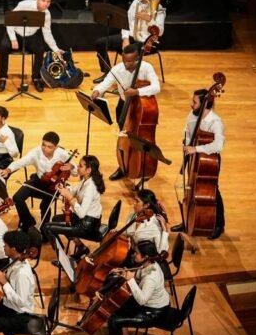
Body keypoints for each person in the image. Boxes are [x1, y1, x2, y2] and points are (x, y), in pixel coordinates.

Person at [90, 42, 162, 180]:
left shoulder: (146, 68)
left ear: (137, 59)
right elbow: (106, 82)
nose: (126, 64)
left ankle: (143, 165)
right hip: (123, 105)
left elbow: (156, 87)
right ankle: (123, 166)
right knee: (124, 136)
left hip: (141, 106)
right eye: (124, 60)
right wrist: (97, 91)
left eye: (129, 61)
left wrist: (137, 91)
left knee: (141, 137)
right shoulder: (117, 69)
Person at [101, 239, 170, 335]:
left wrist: (130, 280)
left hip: (153, 313)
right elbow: (138, 276)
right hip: (152, 304)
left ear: (145, 257)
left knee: (113, 321)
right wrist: (123, 273)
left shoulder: (151, 278)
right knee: (116, 304)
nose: (134, 254)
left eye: (137, 253)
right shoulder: (149, 264)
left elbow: (142, 300)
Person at [172, 88, 226, 239]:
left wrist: (195, 149)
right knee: (191, 186)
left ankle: (219, 225)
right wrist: (187, 142)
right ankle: (186, 220)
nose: (191, 104)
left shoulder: (215, 122)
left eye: (194, 102)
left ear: (204, 104)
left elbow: (218, 145)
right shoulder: (193, 114)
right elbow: (187, 130)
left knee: (211, 190)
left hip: (208, 159)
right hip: (194, 157)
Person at [0, 131, 76, 231]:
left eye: (50, 147)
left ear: (56, 147)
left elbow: (76, 173)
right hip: (38, 181)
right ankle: (27, 221)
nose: (45, 149)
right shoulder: (36, 152)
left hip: (55, 186)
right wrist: (8, 170)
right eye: (43, 145)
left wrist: (72, 167)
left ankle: (45, 229)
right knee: (17, 197)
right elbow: (21, 162)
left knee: (44, 206)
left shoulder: (63, 154)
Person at [0, 0, 65, 93]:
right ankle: (2, 77)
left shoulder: (46, 14)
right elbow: (10, 20)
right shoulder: (24, 5)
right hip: (16, 33)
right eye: (43, 0)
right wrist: (13, 39)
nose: (46, 4)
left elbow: (47, 33)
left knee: (40, 49)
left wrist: (56, 49)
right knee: (3, 46)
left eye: (48, 1)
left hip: (31, 36)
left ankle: (36, 78)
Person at [95, 0, 166, 74]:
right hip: (131, 37)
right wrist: (125, 39)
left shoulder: (159, 9)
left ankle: (129, 78)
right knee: (100, 43)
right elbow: (126, 23)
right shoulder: (135, 3)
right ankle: (107, 73)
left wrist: (150, 19)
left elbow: (160, 32)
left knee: (129, 52)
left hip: (145, 42)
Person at [41, 155, 105, 255]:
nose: (77, 167)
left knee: (47, 228)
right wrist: (64, 188)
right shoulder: (86, 179)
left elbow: (81, 213)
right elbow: (75, 191)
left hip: (87, 225)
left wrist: (69, 197)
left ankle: (61, 256)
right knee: (55, 219)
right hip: (84, 220)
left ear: (88, 170)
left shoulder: (90, 188)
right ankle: (80, 246)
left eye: (80, 166)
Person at [127, 189, 171, 254]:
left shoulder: (154, 224)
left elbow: (161, 252)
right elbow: (126, 233)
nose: (134, 203)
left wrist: (165, 231)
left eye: (137, 201)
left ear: (146, 205)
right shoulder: (132, 215)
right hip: (131, 254)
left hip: (145, 258)